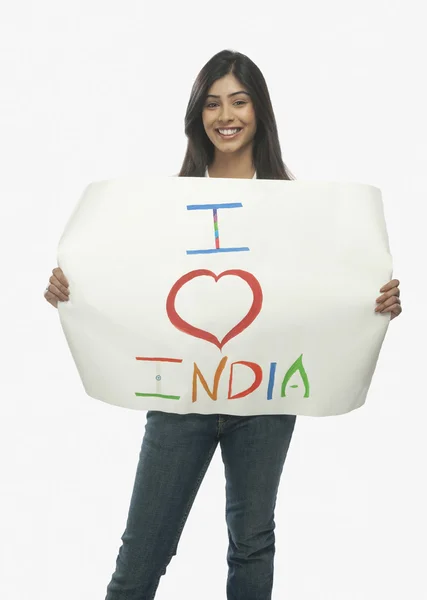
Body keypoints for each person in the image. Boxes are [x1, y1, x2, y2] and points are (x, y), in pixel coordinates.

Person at [44, 50, 403, 600]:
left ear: (260, 111)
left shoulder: (299, 207)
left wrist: (372, 300)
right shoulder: (165, 206)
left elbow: (326, 289)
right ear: (198, 115)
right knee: (142, 552)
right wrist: (73, 289)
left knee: (252, 543)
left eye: (239, 100)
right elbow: (124, 277)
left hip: (263, 399)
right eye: (212, 103)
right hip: (181, 399)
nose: (225, 114)